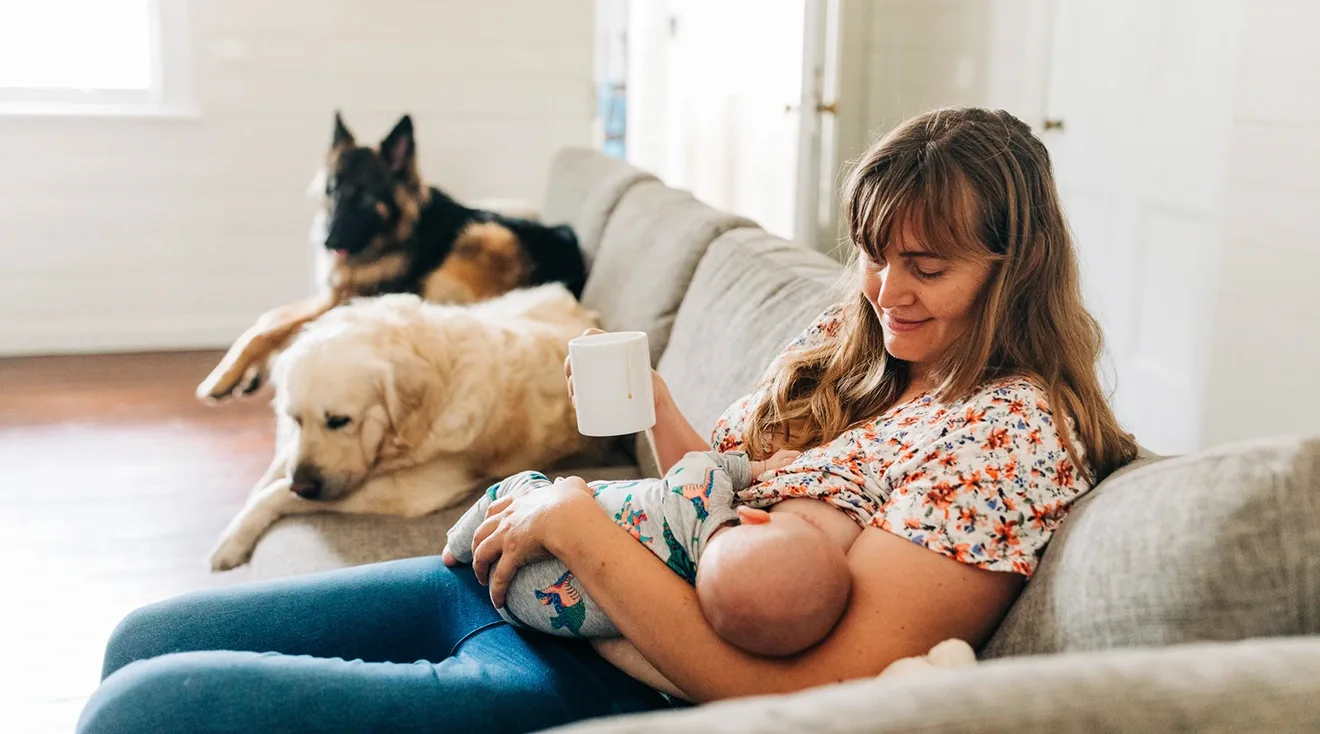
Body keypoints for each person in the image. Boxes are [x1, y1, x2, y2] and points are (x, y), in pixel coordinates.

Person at [77, 107, 1137, 733]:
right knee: (137, 638)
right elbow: (712, 499)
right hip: (522, 570)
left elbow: (816, 686)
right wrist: (659, 416)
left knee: (147, 707)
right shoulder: (864, 344)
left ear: (1019, 263)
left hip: (588, 661)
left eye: (929, 265)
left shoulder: (1013, 432)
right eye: (872, 252)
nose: (885, 289)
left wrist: (577, 524)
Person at [443, 448, 851, 669]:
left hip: (519, 526)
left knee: (518, 488)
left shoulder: (700, 499)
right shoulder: (681, 604)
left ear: (754, 517)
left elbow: (701, 460)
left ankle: (455, 547)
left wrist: (757, 466)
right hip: (529, 614)